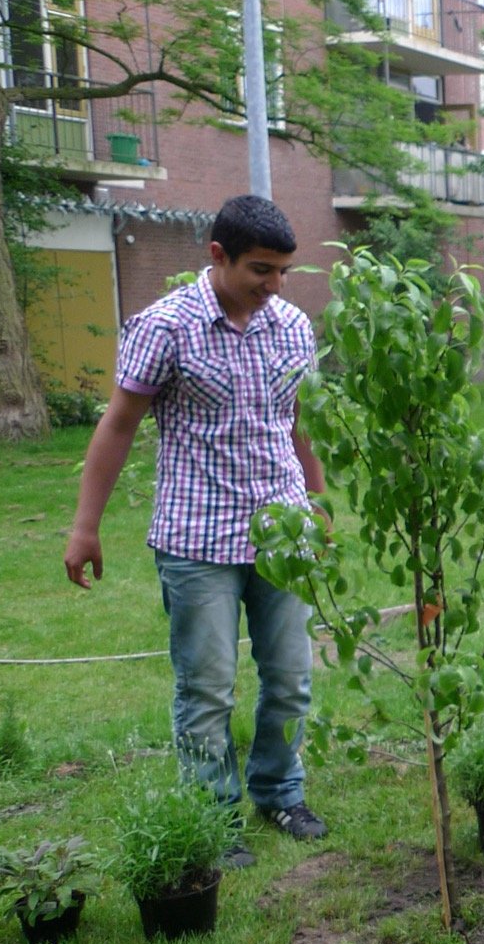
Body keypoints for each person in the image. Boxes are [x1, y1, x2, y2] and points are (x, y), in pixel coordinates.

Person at [63, 195, 328, 866]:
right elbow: (118, 425)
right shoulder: (164, 326)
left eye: (282, 271)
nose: (274, 285)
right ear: (217, 255)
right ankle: (213, 814)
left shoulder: (293, 326)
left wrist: (317, 498)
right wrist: (85, 527)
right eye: (260, 270)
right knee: (207, 689)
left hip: (282, 532)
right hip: (197, 538)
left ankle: (279, 791)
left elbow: (298, 420)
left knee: (291, 678)